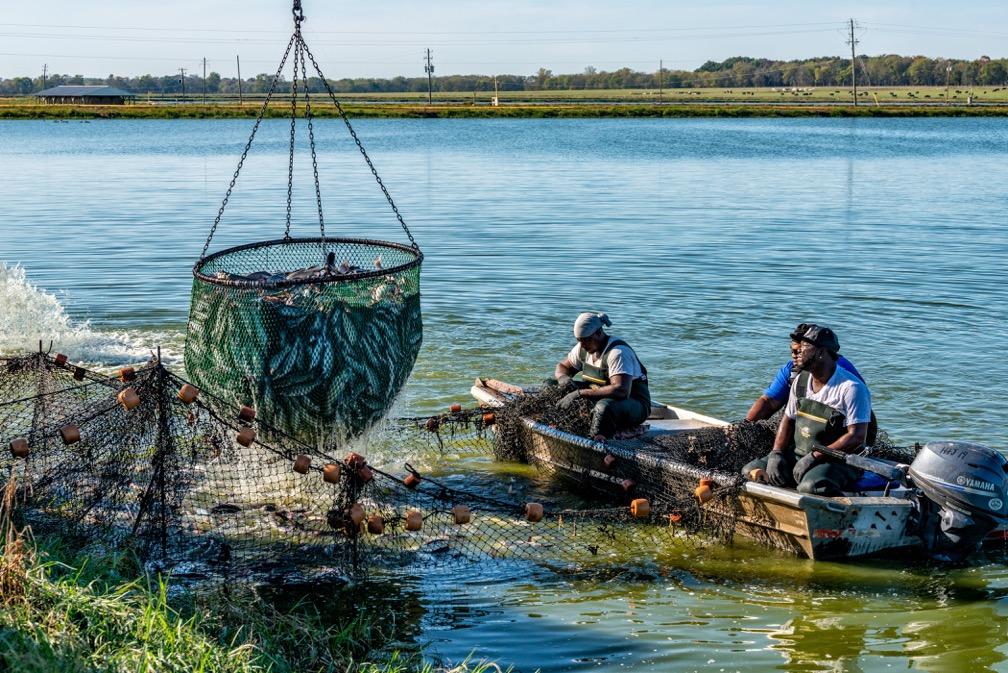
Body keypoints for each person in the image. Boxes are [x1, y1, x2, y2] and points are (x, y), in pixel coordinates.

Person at [742, 325, 872, 496]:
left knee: (810, 488)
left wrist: (814, 456)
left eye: (804, 348)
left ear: (821, 352)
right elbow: (788, 419)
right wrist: (777, 453)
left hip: (839, 460)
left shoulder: (851, 388)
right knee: (750, 470)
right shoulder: (801, 380)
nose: (797, 353)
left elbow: (856, 437)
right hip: (799, 454)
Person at [550, 312, 651, 440]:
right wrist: (563, 378)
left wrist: (579, 393)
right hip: (598, 395)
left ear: (599, 333)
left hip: (634, 404)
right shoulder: (582, 348)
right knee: (551, 385)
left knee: (603, 407)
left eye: (586, 340)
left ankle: (598, 441)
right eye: (579, 340)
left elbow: (621, 390)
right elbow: (562, 367)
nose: (582, 345)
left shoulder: (617, 353)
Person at [746, 322, 866, 422]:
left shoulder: (843, 373)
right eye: (792, 351)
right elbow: (769, 402)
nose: (794, 355)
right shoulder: (792, 371)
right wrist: (746, 426)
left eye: (799, 351)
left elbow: (860, 411)